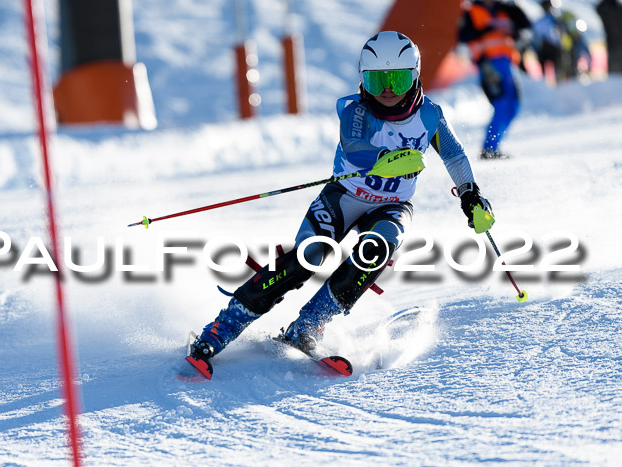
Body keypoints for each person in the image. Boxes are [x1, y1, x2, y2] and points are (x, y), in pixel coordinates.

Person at [188, 31, 493, 364]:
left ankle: (309, 324)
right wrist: (386, 161)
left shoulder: (430, 116)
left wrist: (470, 194)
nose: (388, 89)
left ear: (416, 77)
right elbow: (356, 147)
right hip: (344, 196)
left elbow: (454, 155)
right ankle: (221, 328)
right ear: (363, 80)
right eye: (377, 82)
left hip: (392, 206)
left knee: (376, 250)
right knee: (307, 258)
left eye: (398, 79)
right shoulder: (355, 110)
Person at [458, 0, 532, 159]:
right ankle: (489, 148)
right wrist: (487, 28)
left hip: (507, 62)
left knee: (514, 106)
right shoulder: (471, 11)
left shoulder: (504, 8)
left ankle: (494, 145)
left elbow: (525, 24)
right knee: (501, 104)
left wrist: (512, 24)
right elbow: (463, 36)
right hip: (488, 64)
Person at [533, 0, 565, 83]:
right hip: (547, 46)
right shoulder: (551, 20)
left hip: (551, 46)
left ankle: (557, 82)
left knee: (556, 67)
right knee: (550, 67)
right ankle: (546, 82)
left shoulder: (554, 20)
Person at [596, 0, 622, 74]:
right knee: (614, 72)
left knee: (614, 72)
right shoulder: (615, 8)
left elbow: (599, 9)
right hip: (613, 45)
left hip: (614, 45)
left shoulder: (606, 8)